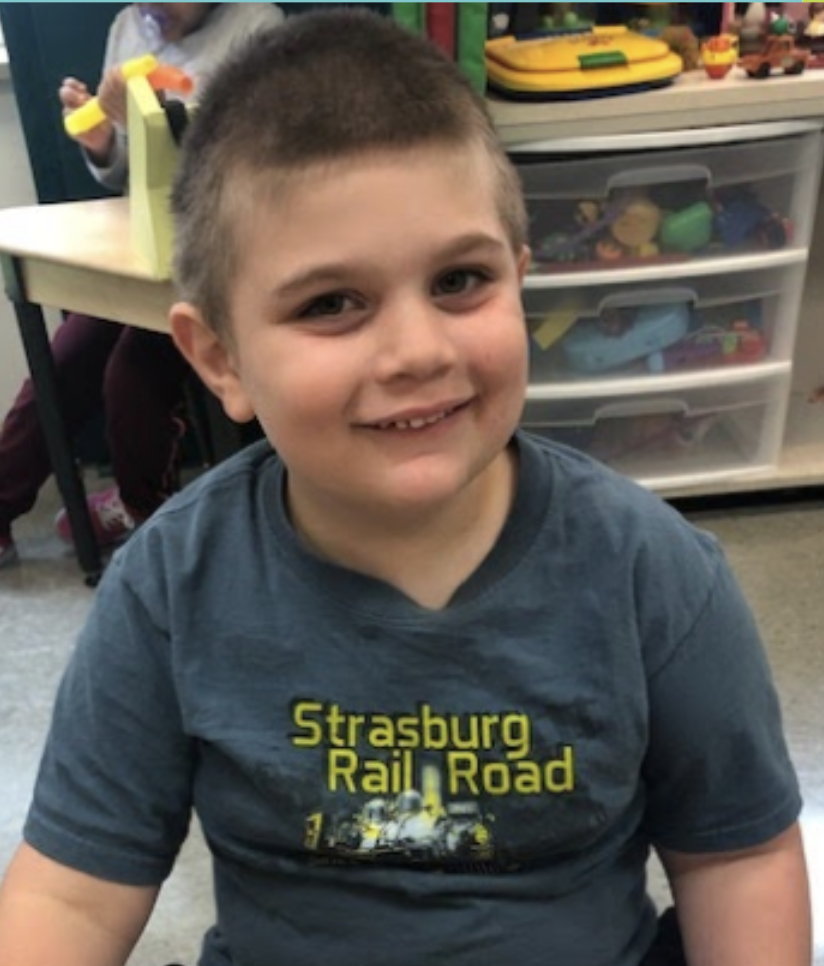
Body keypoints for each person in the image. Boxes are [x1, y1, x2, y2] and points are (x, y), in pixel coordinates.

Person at [0, 10, 811, 966]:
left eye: (460, 281)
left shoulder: (656, 575)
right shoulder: (169, 591)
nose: (418, 351)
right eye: (331, 304)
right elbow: (73, 898)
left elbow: (741, 857)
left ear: (520, 281)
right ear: (219, 356)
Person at [0, 2, 284, 570]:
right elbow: (127, 170)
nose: (154, 13)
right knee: (67, 357)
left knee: (131, 374)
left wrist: (151, 120)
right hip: (145, 239)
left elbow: (260, 162)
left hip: (222, 246)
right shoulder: (129, 28)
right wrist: (103, 138)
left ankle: (148, 516)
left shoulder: (258, 28)